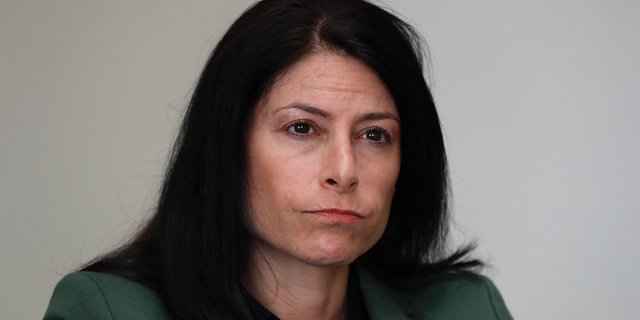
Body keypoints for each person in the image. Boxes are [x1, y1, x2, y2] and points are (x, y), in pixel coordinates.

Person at [44, 0, 512, 319]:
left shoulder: (467, 307)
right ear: (225, 145)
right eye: (302, 128)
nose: (344, 171)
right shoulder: (108, 311)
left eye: (374, 134)